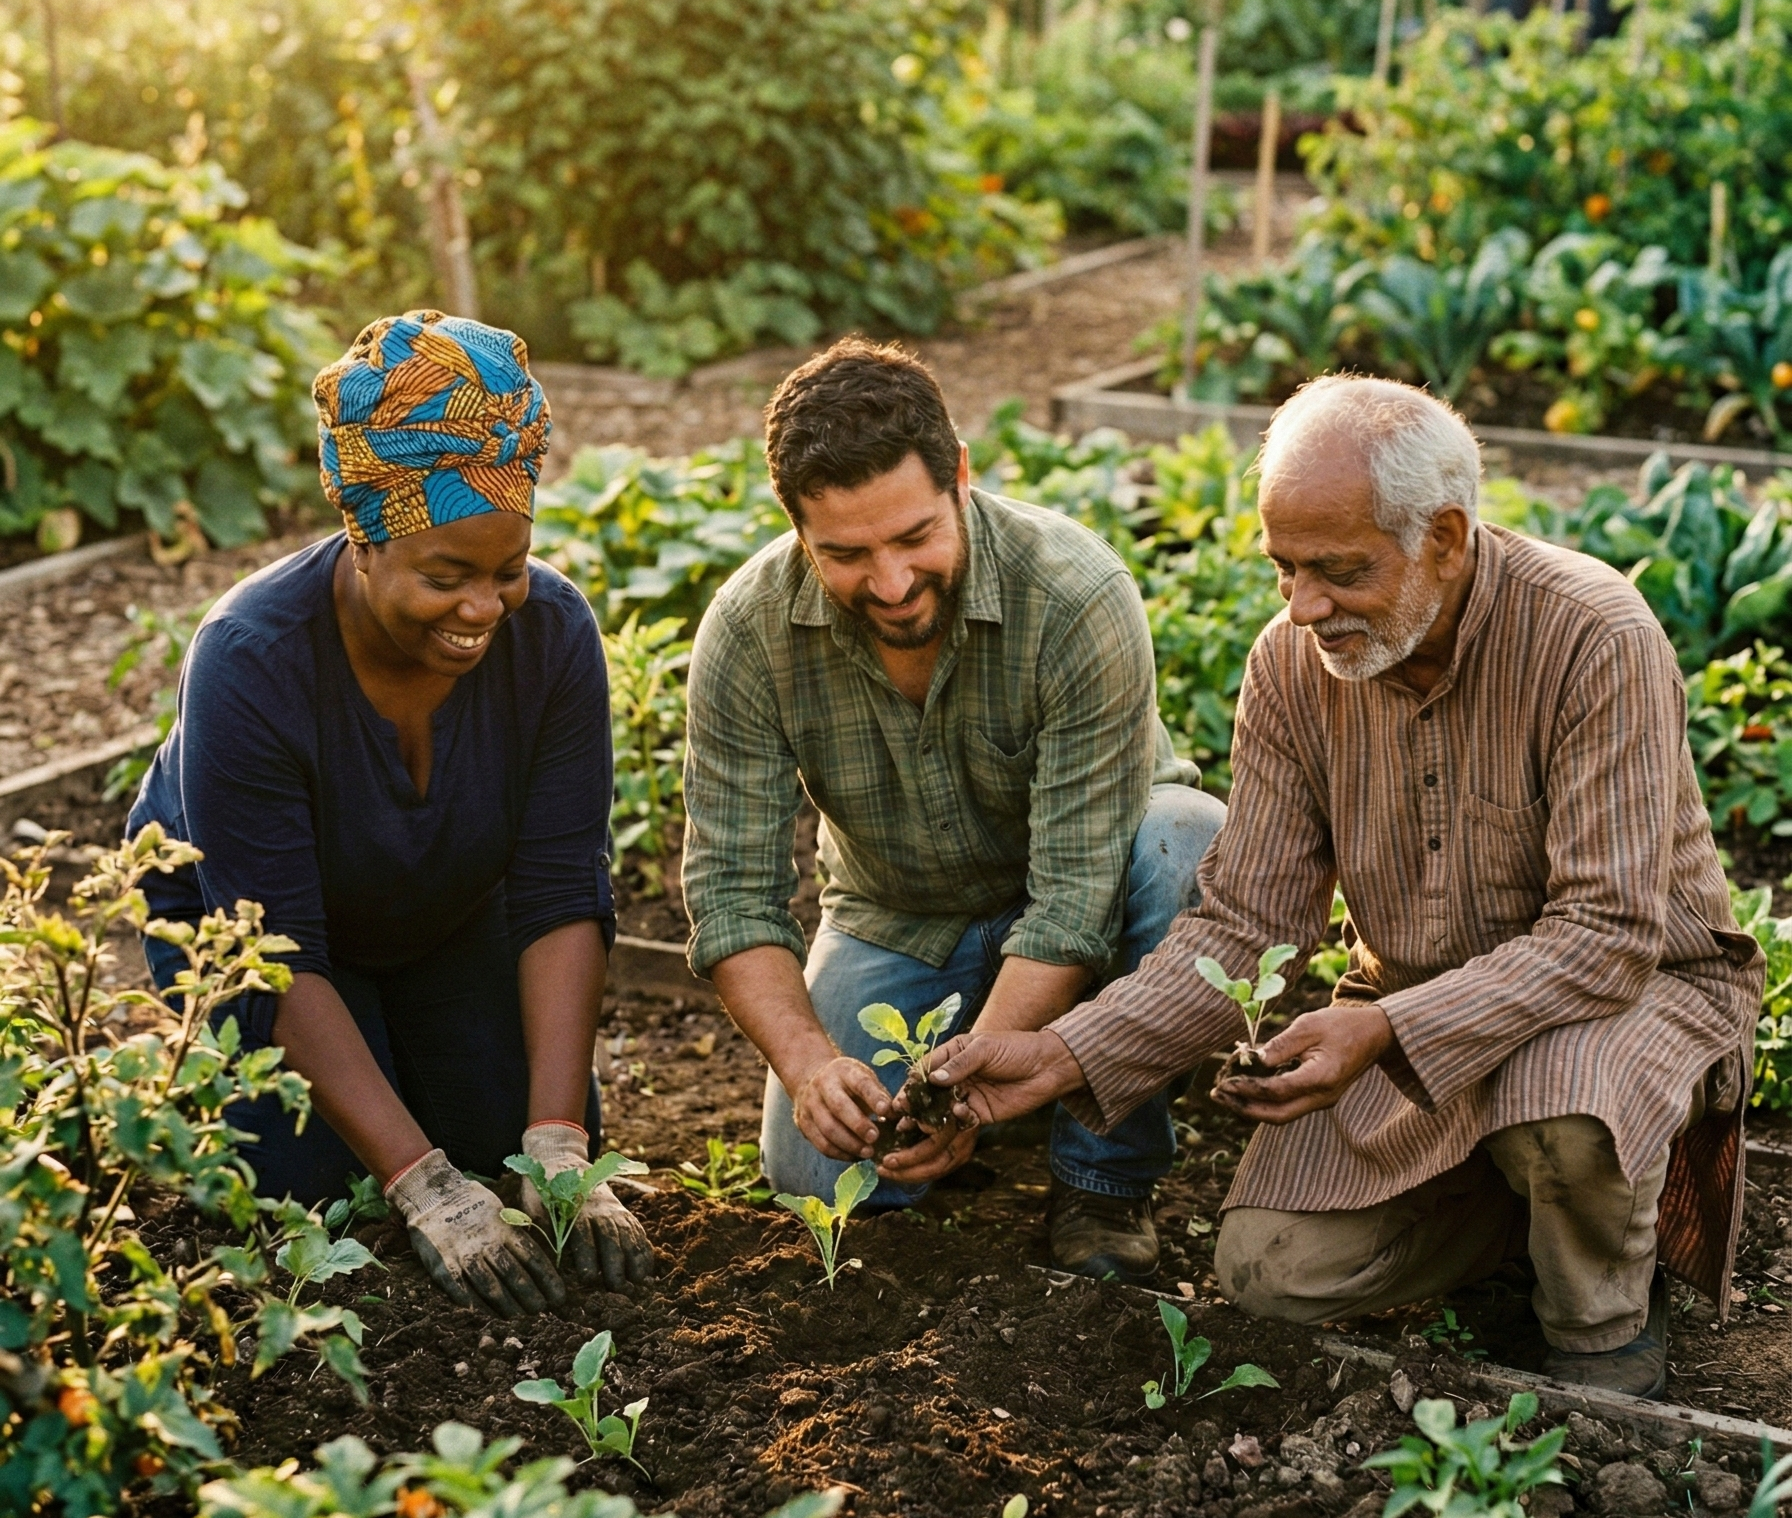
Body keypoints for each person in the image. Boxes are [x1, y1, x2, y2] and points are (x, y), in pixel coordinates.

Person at [921, 374, 1764, 1396]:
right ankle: (1522, 1214)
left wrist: (1384, 1032)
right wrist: (1057, 1056)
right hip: (1411, 1003)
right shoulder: (1289, 668)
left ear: (1444, 540)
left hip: (1632, 995)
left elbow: (1605, 934)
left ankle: (1603, 1324)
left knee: (1564, 1105)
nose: (1303, 605)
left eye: (1338, 569)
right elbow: (1242, 926)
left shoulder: (1592, 637)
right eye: (1283, 569)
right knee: (1269, 1273)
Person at [129, 309, 652, 1317]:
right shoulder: (252, 658)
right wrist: (425, 1190)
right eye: (444, 577)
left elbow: (555, 890)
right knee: (310, 1196)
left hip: (443, 911)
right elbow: (272, 948)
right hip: (254, 940)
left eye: (506, 570)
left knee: (509, 1147)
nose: (482, 609)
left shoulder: (552, 635)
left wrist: (557, 1146)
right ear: (362, 542)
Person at [679, 336, 1226, 1280]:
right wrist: (811, 1066)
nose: (890, 585)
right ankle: (1024, 1087)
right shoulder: (747, 631)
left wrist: (960, 1094)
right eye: (845, 553)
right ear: (795, 525)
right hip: (902, 915)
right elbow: (730, 895)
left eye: (914, 537)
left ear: (960, 475)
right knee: (819, 1176)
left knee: (1186, 841)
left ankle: (1103, 1175)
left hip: (1085, 897)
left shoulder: (1074, 596)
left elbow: (1072, 901)